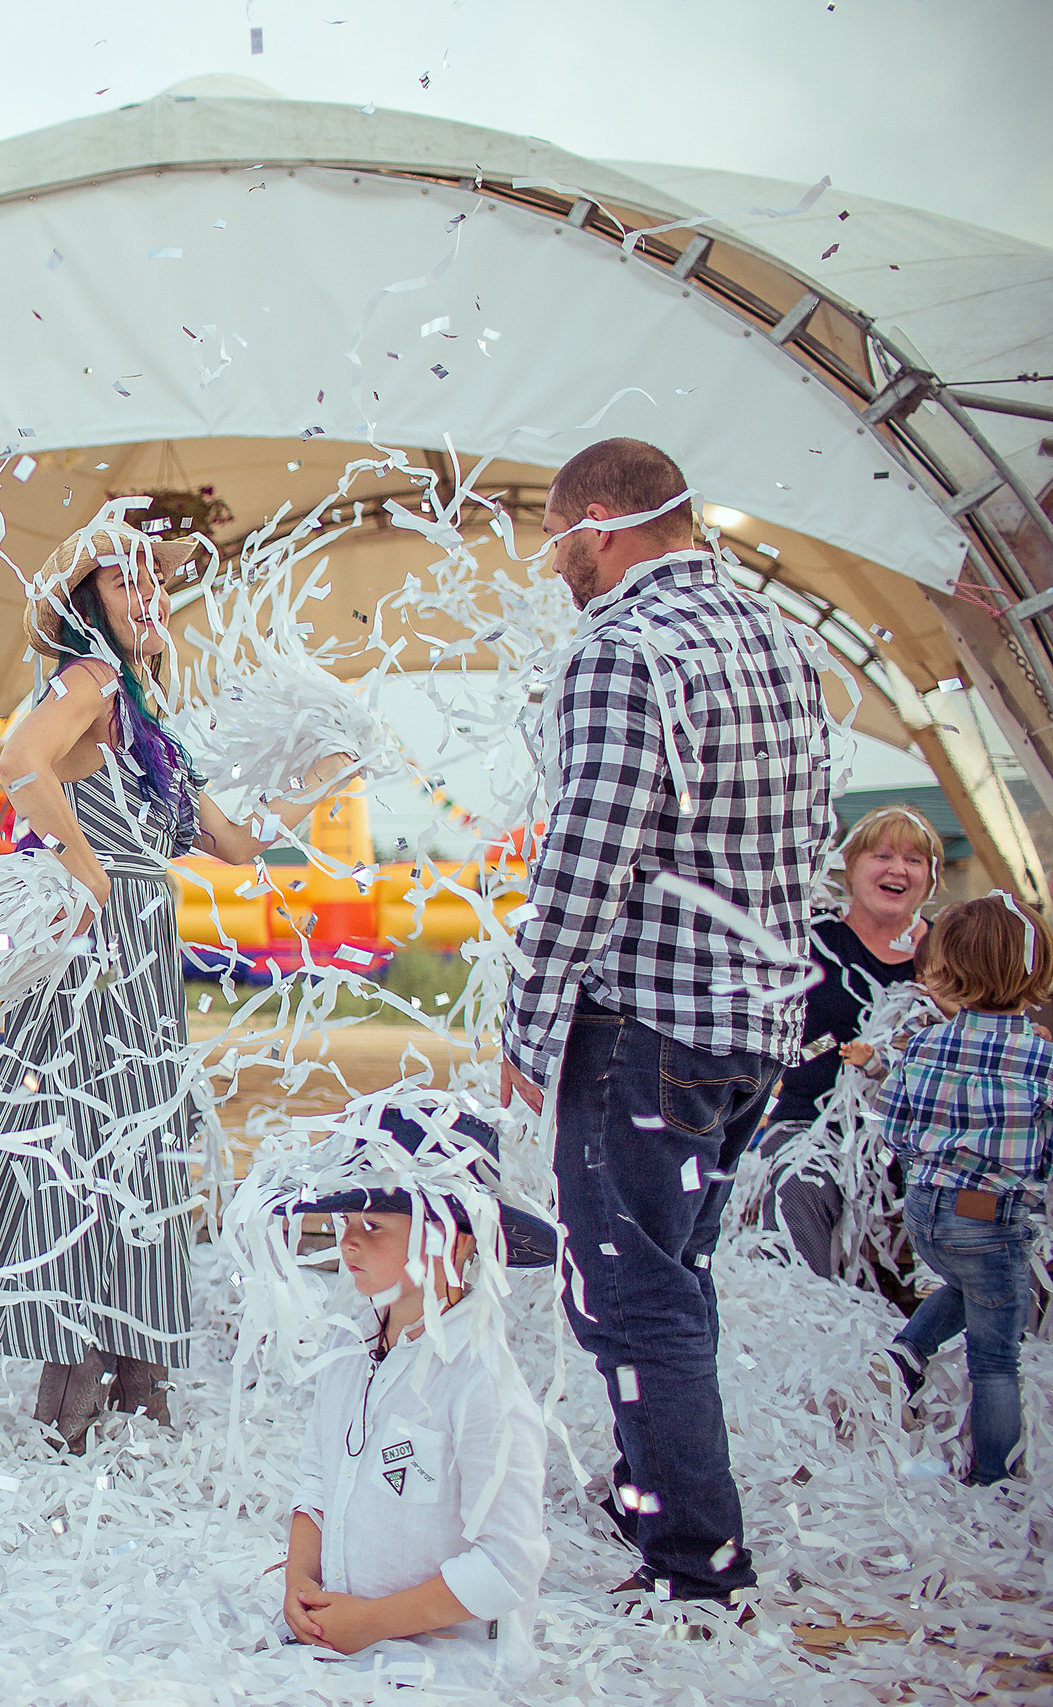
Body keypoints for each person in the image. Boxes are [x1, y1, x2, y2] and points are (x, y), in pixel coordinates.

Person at [498, 437, 833, 1612]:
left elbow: (584, 859)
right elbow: (807, 836)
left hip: (644, 1026)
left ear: (601, 519)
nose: (555, 565)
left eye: (557, 538)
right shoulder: (775, 640)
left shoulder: (623, 649)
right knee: (676, 1277)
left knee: (628, 1291)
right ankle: (655, 1490)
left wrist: (527, 1024)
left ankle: (694, 1558)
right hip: (749, 1030)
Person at [0, 515, 356, 1453]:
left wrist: (329, 775)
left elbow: (236, 843)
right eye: (125, 581)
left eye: (156, 582)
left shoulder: (141, 718)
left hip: (140, 939)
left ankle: (129, 1393)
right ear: (87, 603)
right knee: (95, 1145)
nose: (149, 597)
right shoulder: (89, 679)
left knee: (133, 1148)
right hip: (99, 941)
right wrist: (87, 868)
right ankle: (79, 1399)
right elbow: (19, 762)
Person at [267, 1105, 557, 1688]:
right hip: (337, 1641)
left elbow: (509, 1565)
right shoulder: (347, 1350)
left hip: (445, 1669)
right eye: (345, 1221)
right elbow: (317, 1482)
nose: (348, 1242)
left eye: (373, 1227)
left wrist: (374, 1622)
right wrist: (300, 1581)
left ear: (452, 1240)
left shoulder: (481, 1384)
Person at [869, 895, 1052, 1487]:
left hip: (926, 1210)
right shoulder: (1042, 1060)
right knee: (997, 1359)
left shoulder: (925, 1043)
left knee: (962, 1282)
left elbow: (891, 1122)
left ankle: (905, 1355)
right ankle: (992, 1479)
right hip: (990, 1217)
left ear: (947, 968)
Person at [756, 806, 942, 1307]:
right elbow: (786, 1040)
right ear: (851, 864)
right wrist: (829, 1050)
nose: (897, 869)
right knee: (799, 1183)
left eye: (914, 860)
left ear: (930, 876)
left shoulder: (948, 951)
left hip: (921, 1142)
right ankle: (807, 1316)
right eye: (882, 855)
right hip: (813, 1124)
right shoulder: (811, 940)